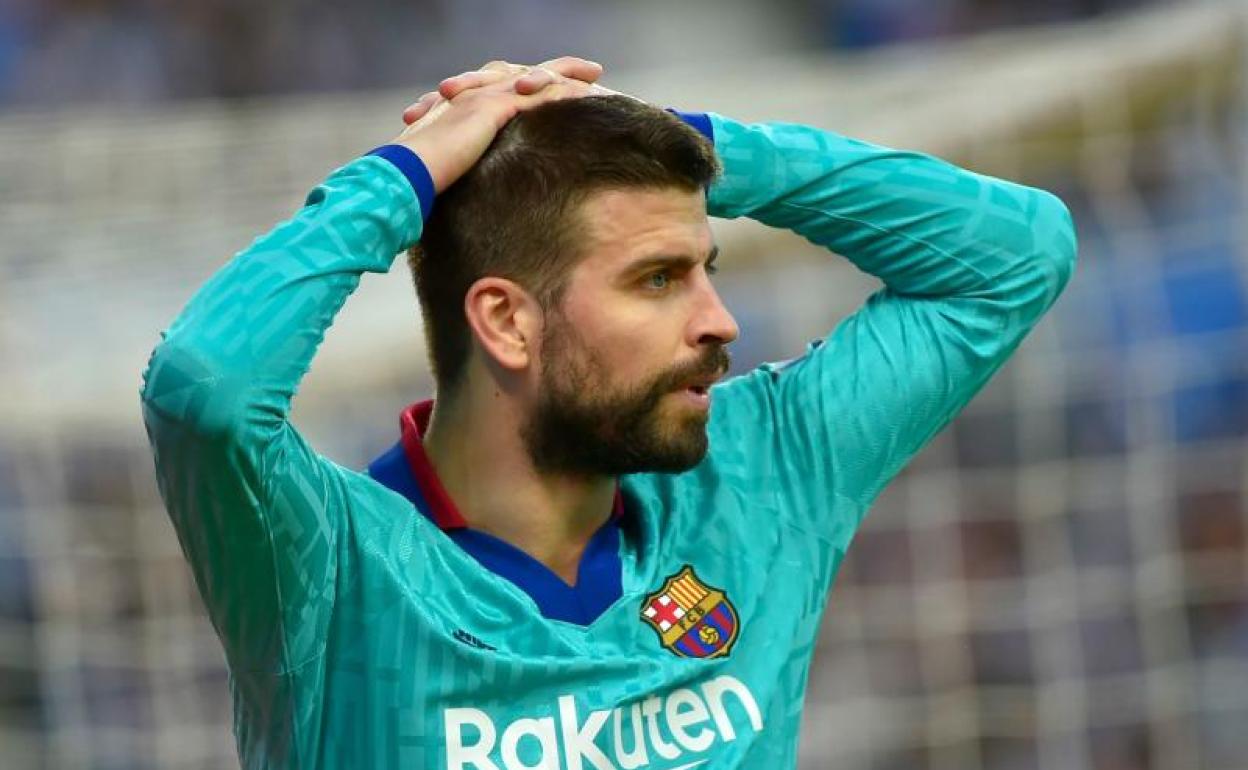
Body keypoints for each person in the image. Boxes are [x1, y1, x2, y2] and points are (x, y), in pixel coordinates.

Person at [141, 56, 1076, 769]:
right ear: (507, 321)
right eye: (658, 279)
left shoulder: (763, 476)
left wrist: (694, 146)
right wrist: (401, 179)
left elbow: (1018, 255)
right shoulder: (328, 567)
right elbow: (206, 388)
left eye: (707, 269)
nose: (719, 321)